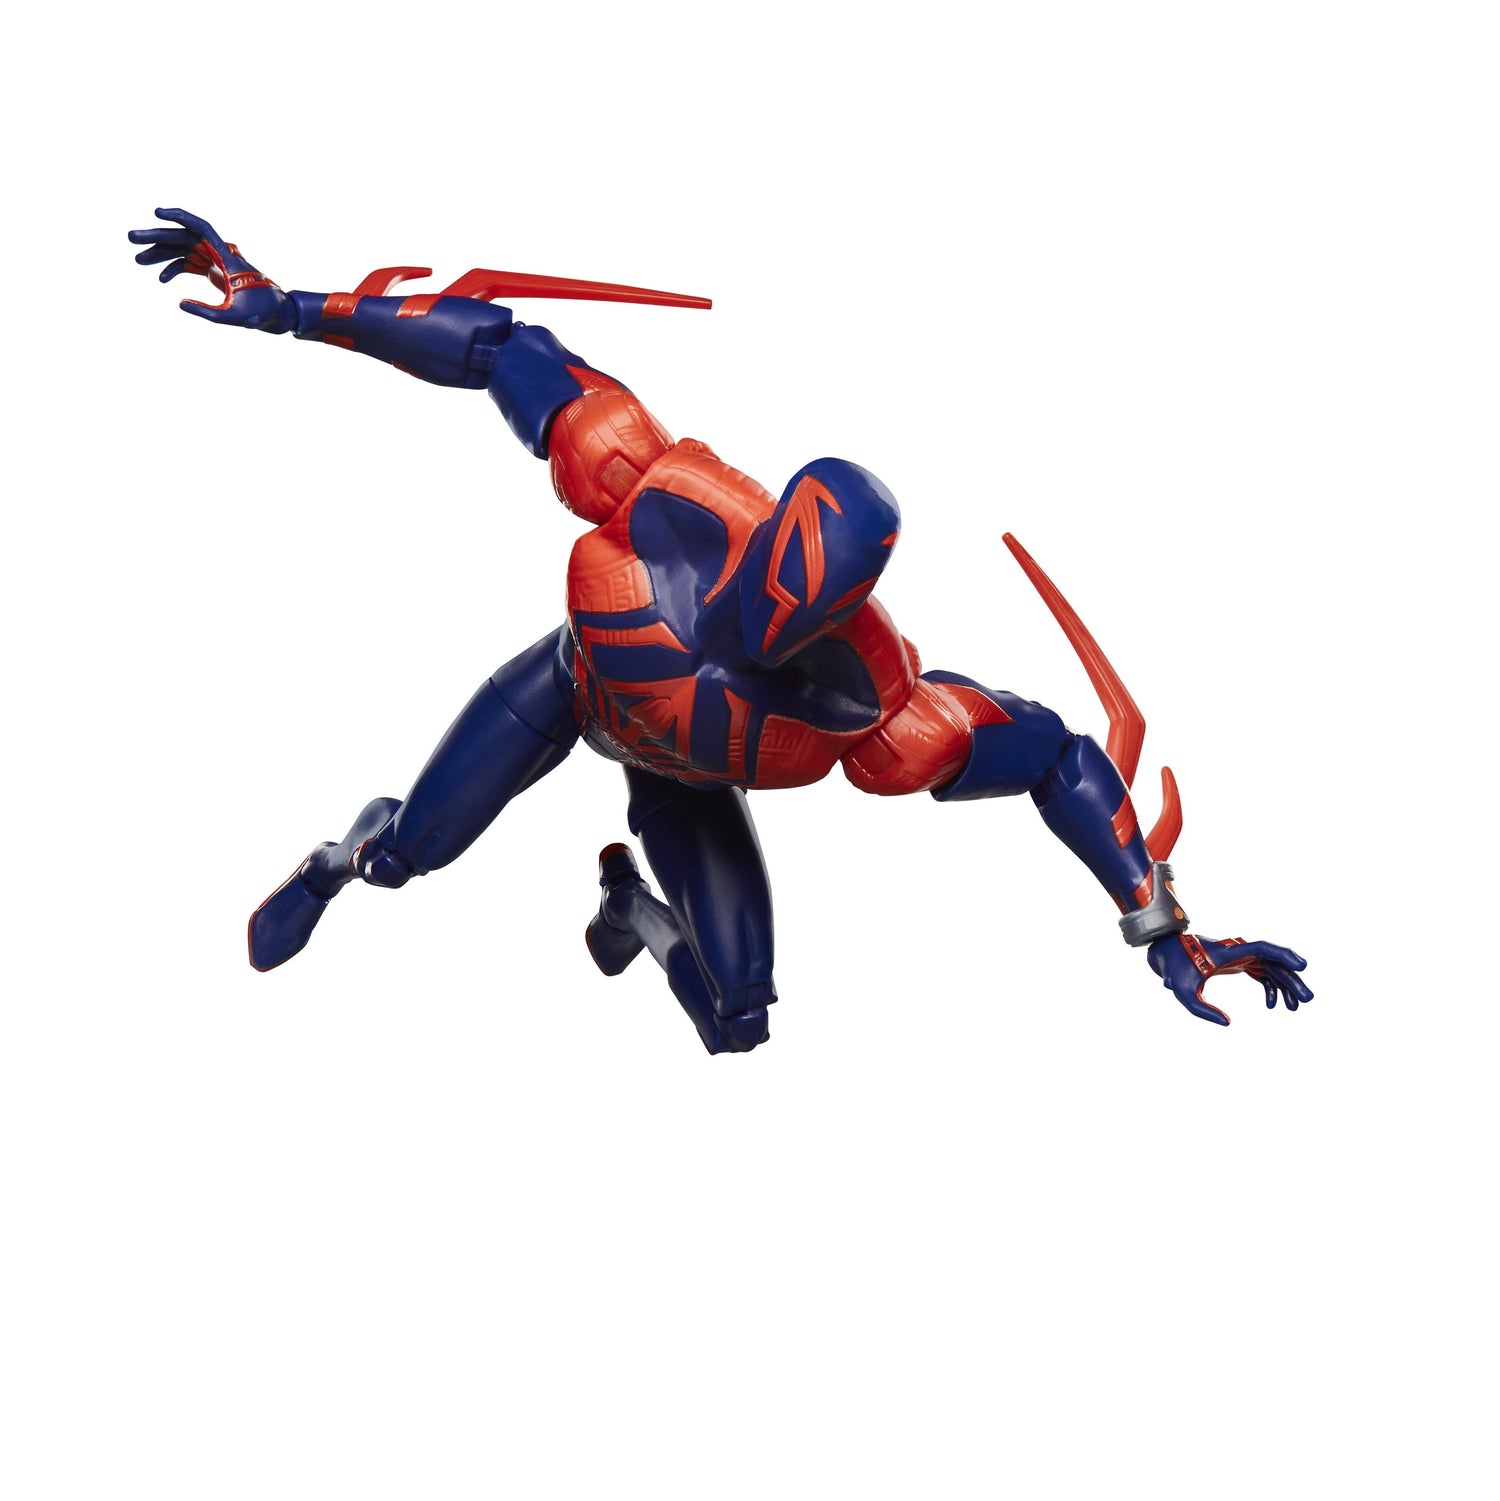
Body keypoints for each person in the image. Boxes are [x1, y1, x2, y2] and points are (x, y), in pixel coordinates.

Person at [130, 208, 1312, 1054]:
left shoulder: (879, 714)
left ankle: (631, 909)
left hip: (684, 777)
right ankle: (334, 862)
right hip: (567, 692)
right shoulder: (643, 488)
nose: (790, 607)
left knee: (738, 1019)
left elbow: (1058, 755)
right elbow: (499, 345)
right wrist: (286, 306)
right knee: (405, 858)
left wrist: (1163, 925)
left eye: (824, 595)